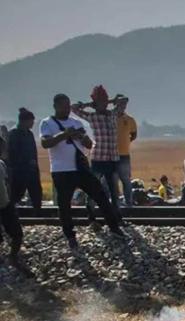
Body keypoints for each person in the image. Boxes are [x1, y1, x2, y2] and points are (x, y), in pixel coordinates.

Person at [40, 93, 124, 249]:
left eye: (68, 106)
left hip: (80, 167)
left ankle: (114, 227)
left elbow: (89, 144)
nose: (66, 109)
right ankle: (70, 235)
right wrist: (64, 135)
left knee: (101, 196)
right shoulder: (47, 123)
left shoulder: (76, 122)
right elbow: (46, 143)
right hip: (61, 170)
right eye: (63, 106)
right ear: (55, 106)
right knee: (64, 205)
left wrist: (81, 137)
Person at [71, 85, 124, 216]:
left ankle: (117, 217)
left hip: (113, 158)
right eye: (101, 102)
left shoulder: (113, 114)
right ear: (95, 104)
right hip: (98, 159)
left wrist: (110, 101)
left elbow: (124, 100)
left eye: (105, 102)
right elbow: (74, 108)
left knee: (114, 191)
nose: (104, 105)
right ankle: (92, 216)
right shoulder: (92, 116)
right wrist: (91, 104)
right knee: (93, 189)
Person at [6, 108, 42, 210]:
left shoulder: (29, 134)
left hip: (31, 169)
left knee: (36, 192)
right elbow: (12, 153)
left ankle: (38, 212)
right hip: (19, 170)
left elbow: (33, 151)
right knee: (17, 193)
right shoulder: (13, 134)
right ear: (24, 121)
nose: (33, 123)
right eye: (31, 121)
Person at [0, 158, 24, 266]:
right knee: (16, 233)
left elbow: (7, 184)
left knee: (17, 233)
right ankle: (12, 257)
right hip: (5, 204)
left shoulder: (1, 164)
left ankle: (13, 257)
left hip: (5, 204)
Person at [115, 96, 137, 208]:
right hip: (111, 155)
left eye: (124, 104)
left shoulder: (129, 120)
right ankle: (116, 203)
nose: (123, 106)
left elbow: (134, 134)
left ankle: (129, 203)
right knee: (111, 180)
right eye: (120, 103)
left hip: (124, 154)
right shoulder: (110, 118)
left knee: (126, 180)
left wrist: (127, 142)